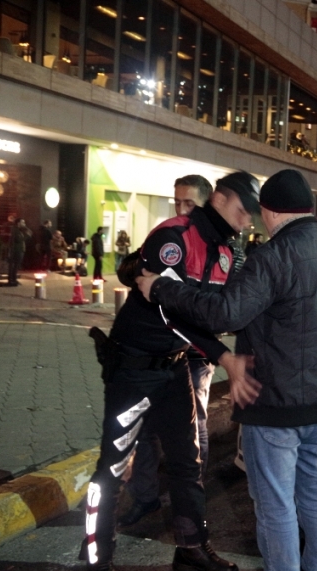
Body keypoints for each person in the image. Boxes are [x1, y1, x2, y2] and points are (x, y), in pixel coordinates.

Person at [136, 169, 317, 571]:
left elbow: (226, 313)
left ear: (272, 212)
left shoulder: (272, 257)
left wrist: (162, 289)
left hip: (275, 403)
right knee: (315, 487)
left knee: (275, 503)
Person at [81, 170, 261, 571]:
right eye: (243, 210)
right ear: (221, 198)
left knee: (187, 463)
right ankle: (98, 564)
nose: (248, 220)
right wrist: (225, 357)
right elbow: (170, 310)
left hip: (176, 366)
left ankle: (192, 550)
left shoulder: (228, 254)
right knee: (112, 468)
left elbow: (216, 313)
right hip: (134, 371)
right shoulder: (173, 236)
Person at [117, 175, 218, 529]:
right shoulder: (167, 235)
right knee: (144, 426)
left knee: (195, 425)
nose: (181, 209)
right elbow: (134, 273)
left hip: (194, 351)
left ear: (206, 206)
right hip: (160, 348)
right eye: (177, 202)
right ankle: (144, 497)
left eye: (189, 203)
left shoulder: (217, 246)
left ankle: (191, 496)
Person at [7, 218, 32, 286]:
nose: (24, 224)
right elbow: (19, 239)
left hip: (20, 250)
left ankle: (14, 279)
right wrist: (27, 235)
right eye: (23, 222)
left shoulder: (19, 230)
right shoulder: (15, 230)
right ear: (18, 223)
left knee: (16, 265)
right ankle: (12, 280)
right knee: (15, 265)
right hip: (17, 250)